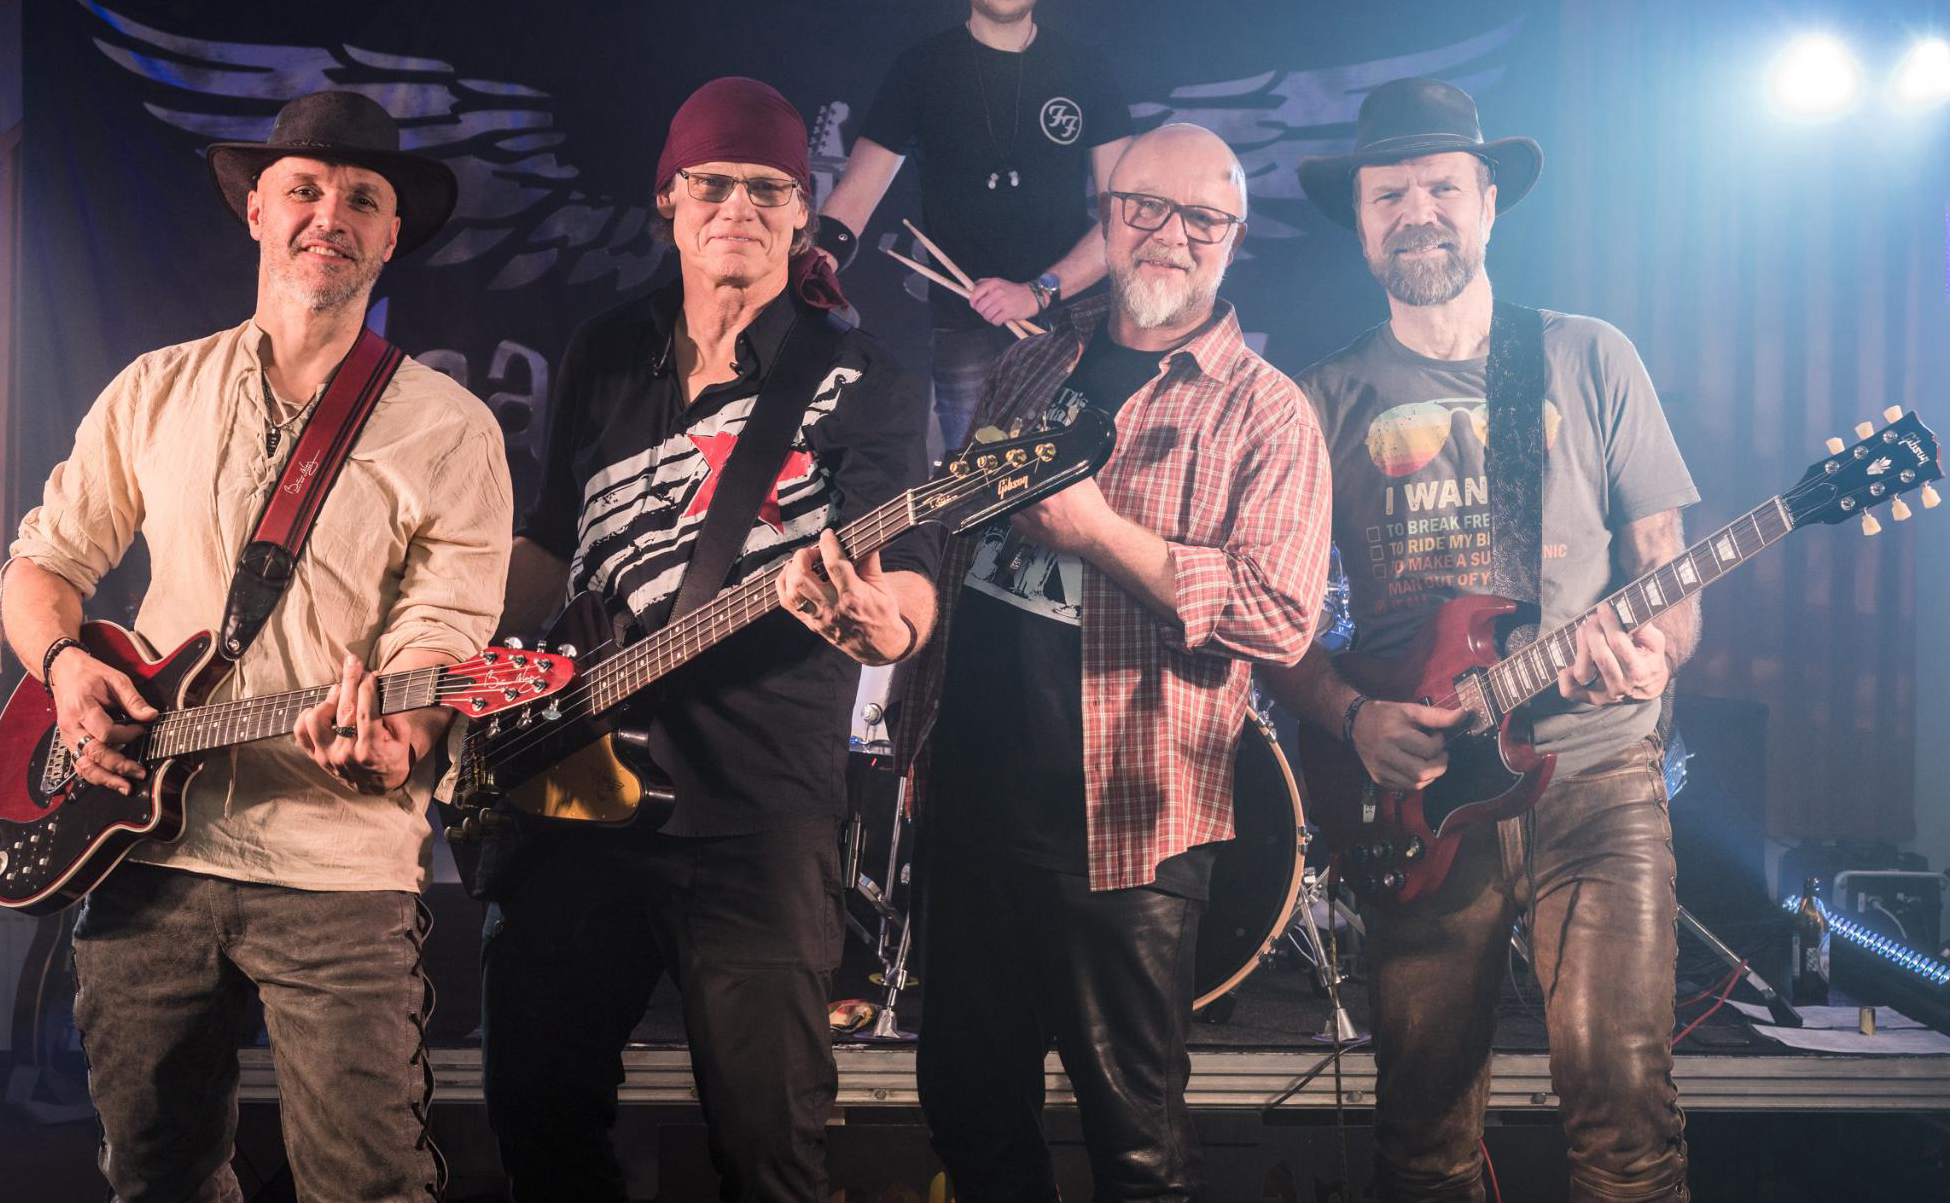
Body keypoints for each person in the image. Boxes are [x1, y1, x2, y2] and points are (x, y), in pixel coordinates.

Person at [0, 89, 513, 1202]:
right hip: (144, 856)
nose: (331, 214)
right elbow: (41, 570)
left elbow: (445, 632)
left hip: (338, 866)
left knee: (365, 1183)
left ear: (389, 236)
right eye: (305, 190)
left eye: (361, 199)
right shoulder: (154, 388)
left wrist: (399, 737)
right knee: (156, 1175)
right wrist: (66, 666)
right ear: (258, 213)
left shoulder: (451, 426)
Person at [481, 76, 941, 1202]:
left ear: (803, 214)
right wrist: (460, 656)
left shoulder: (864, 379)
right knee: (536, 1113)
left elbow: (911, 568)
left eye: (768, 189)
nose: (739, 207)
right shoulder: (603, 351)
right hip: (576, 787)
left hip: (758, 814)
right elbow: (553, 536)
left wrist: (887, 625)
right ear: (669, 203)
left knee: (769, 1150)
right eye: (713, 185)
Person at [1266, 77, 1700, 1202]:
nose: (1417, 212)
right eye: (1388, 194)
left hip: (1594, 775)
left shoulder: (1589, 357)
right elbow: (1269, 625)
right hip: (1416, 796)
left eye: (1441, 188)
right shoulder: (1317, 401)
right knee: (1421, 1135)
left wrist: (1655, 652)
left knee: (1622, 1107)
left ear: (1489, 201)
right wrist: (1353, 718)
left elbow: (1667, 578)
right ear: (1360, 220)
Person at [896, 123, 1334, 1200]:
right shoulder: (1030, 361)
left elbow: (1281, 618)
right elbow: (956, 541)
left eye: (1202, 219)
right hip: (974, 802)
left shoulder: (1268, 411)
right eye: (1145, 208)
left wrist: (1100, 536)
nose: (1170, 235)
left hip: (1129, 828)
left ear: (1233, 238)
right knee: (966, 1111)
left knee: (1134, 1146)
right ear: (1105, 217)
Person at [819, 0, 1136, 450]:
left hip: (1068, 323)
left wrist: (1039, 290)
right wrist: (815, 261)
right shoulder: (920, 69)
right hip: (963, 325)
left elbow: (1125, 216)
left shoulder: (1086, 69)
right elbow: (855, 196)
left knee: (1068, 480)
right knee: (975, 483)